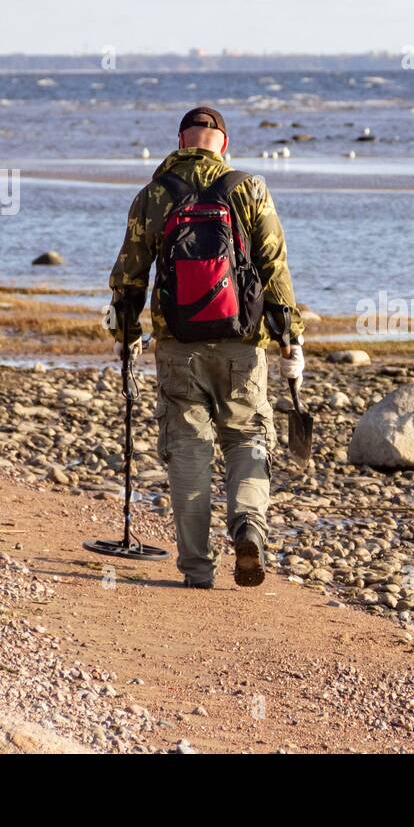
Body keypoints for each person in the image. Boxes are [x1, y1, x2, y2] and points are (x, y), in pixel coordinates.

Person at [108, 106, 304, 588]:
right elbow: (274, 268)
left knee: (188, 450)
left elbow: (129, 277)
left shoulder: (154, 195)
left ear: (180, 142)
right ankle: (247, 525)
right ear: (224, 144)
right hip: (243, 345)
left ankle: (197, 568)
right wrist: (290, 339)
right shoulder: (249, 188)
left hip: (177, 346)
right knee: (247, 438)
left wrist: (127, 338)